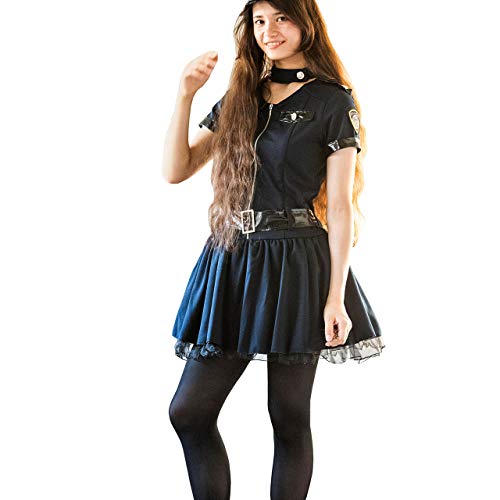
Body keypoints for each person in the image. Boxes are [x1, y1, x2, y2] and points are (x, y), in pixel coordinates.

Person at [163, 1, 386, 498]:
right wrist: (184, 94)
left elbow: (341, 208)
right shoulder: (242, 95)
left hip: (296, 262)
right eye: (260, 21)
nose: (269, 31)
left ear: (306, 23)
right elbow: (176, 170)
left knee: (287, 415)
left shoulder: (332, 101)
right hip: (233, 258)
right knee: (189, 411)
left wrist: (335, 297)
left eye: (281, 18)